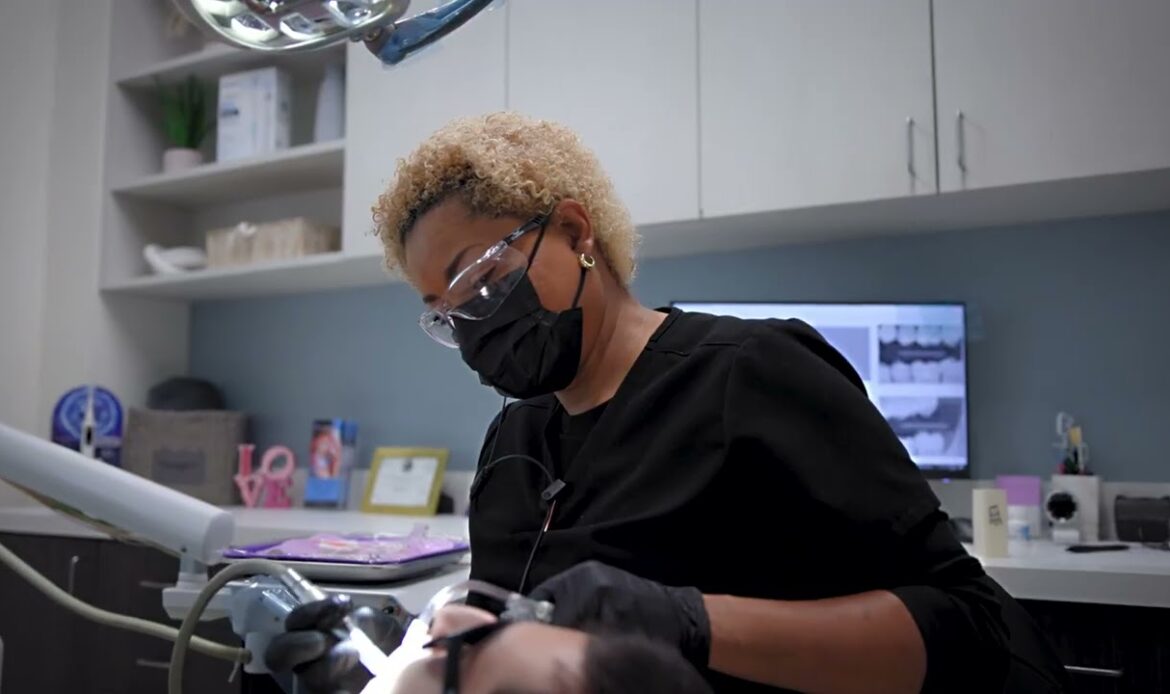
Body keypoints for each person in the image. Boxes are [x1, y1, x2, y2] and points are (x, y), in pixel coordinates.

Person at [270, 112, 1071, 693]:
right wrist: (412, 655)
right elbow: (522, 653)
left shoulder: (751, 375)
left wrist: (690, 622)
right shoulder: (513, 448)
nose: (476, 324)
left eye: (486, 281)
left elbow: (967, 628)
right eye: (448, 313)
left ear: (577, 231)